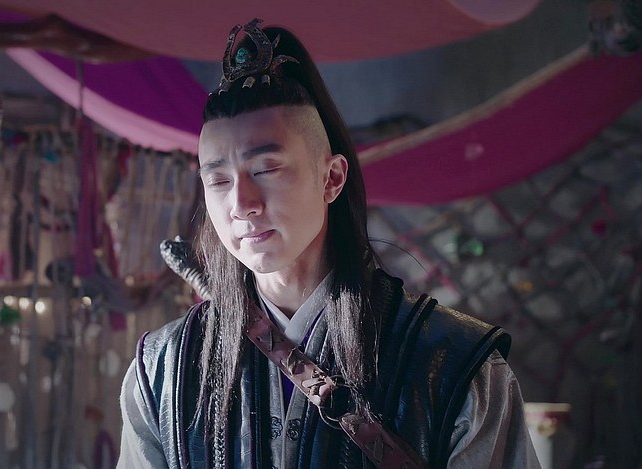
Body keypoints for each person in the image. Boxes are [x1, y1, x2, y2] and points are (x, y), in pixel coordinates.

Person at [118, 19, 540, 468]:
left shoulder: (457, 365)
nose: (242, 204)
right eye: (218, 180)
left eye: (266, 169)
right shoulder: (162, 371)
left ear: (332, 178)